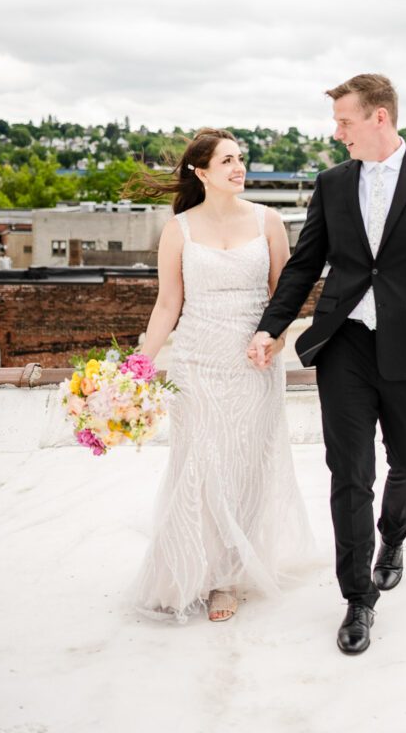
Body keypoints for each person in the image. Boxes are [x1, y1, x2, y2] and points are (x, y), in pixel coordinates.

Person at [248, 75, 406, 654]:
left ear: (380, 118)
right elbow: (304, 265)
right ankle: (357, 600)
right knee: (349, 475)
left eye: (344, 122)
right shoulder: (330, 184)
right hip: (344, 344)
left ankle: (393, 538)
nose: (337, 133)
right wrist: (270, 327)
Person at [129, 128, 314, 623]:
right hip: (197, 363)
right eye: (227, 160)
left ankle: (227, 577)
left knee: (247, 467)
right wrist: (141, 363)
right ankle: (196, 568)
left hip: (254, 365)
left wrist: (273, 341)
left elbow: (285, 294)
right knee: (202, 467)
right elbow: (168, 303)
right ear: (201, 171)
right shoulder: (179, 229)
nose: (239, 167)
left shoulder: (269, 220)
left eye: (241, 158)